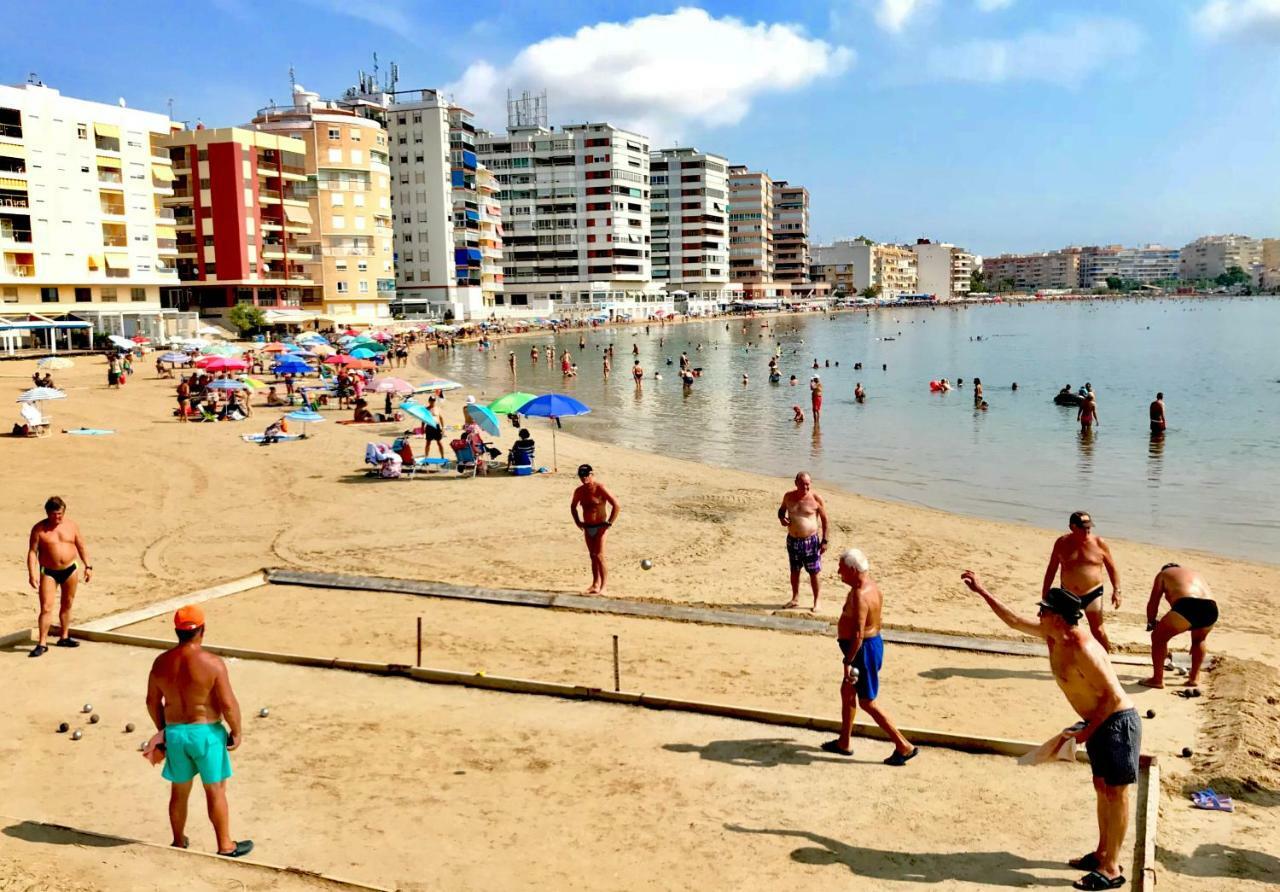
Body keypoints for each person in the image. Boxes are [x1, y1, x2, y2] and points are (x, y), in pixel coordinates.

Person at [961, 571, 1139, 891]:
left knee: (1117, 792)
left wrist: (1085, 732)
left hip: (1117, 722)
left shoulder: (1082, 646)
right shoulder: (1052, 635)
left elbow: (1112, 697)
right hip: (1098, 722)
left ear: (1057, 616)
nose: (1039, 614)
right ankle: (1101, 853)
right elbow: (1014, 620)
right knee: (1101, 787)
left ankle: (1112, 868)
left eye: (1043, 610)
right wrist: (982, 591)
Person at [145, 605, 252, 858]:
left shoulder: (160, 663)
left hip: (176, 734)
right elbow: (228, 703)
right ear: (202, 630)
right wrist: (236, 731)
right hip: (206, 734)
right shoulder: (212, 663)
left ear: (176, 632)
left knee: (179, 791)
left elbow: (151, 701)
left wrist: (164, 731)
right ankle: (225, 845)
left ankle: (179, 841)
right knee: (215, 790)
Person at [821, 549, 918, 765]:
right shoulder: (872, 587)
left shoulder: (859, 595)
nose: (838, 572)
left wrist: (848, 661)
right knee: (847, 691)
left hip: (861, 651)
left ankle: (903, 746)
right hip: (869, 646)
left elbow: (858, 633)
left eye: (842, 569)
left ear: (854, 570)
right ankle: (844, 742)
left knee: (867, 701)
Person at [1042, 511, 1121, 652]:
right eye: (1083, 527)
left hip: (1093, 592)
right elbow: (1051, 569)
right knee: (1064, 630)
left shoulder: (1099, 543)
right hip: (1068, 593)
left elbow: (1112, 568)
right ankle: (1066, 661)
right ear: (1072, 527)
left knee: (1097, 630)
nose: (1087, 530)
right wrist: (1045, 593)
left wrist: (1117, 591)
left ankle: (1105, 660)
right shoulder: (1062, 543)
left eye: (1089, 527)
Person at [26, 496, 92, 657]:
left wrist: (88, 566)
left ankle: (64, 636)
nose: (58, 517)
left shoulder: (71, 526)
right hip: (49, 571)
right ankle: (42, 642)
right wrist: (32, 573)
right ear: (48, 513)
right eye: (54, 514)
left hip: (70, 569)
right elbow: (33, 552)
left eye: (60, 514)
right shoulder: (39, 529)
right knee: (46, 607)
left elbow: (81, 545)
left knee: (67, 603)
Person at [1141, 563, 1217, 689]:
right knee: (1199, 640)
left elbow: (1153, 602)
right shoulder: (1196, 574)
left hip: (1187, 606)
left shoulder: (1163, 574)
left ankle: (1157, 679)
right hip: (1211, 608)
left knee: (1158, 638)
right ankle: (1194, 678)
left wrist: (1151, 621)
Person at [778, 472, 829, 610]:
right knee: (794, 571)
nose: (805, 487)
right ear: (796, 483)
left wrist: (824, 540)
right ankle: (795, 598)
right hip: (793, 541)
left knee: (814, 572)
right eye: (802, 484)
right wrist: (782, 519)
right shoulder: (788, 496)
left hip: (810, 542)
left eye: (808, 484)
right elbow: (781, 511)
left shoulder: (816, 498)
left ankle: (817, 601)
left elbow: (825, 520)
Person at [570, 464, 620, 595]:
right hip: (587, 527)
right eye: (581, 475)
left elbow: (616, 504)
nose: (584, 478)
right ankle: (595, 585)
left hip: (601, 527)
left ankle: (604, 587)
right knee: (592, 556)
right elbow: (573, 507)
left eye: (586, 475)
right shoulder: (579, 491)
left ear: (592, 474)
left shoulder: (600, 488)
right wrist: (577, 521)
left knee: (599, 556)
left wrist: (609, 523)